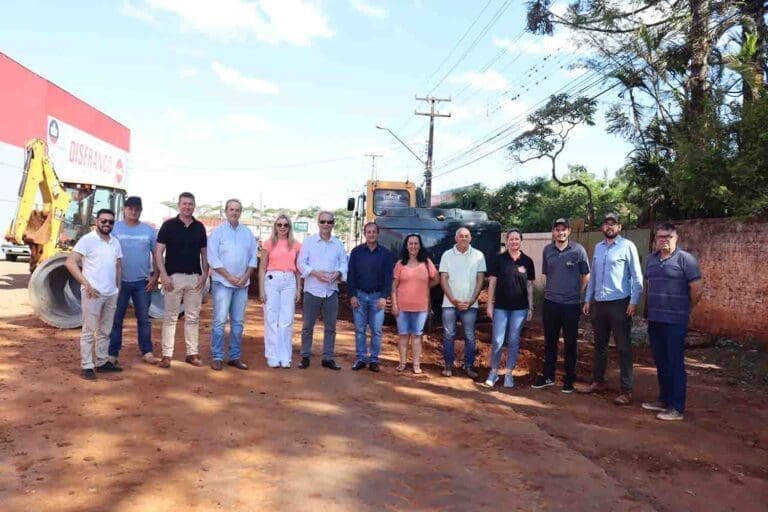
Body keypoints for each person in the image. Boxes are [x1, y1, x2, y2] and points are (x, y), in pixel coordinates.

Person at [579, 213, 643, 405]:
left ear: (619, 227)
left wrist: (633, 302)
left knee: (623, 347)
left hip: (620, 304)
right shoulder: (598, 248)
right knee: (600, 345)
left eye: (613, 224)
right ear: (602, 227)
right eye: (606, 224)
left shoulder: (627, 246)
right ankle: (598, 381)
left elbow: (637, 276)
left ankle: (626, 390)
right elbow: (593, 276)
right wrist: (588, 299)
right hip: (599, 304)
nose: (609, 227)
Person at [641, 222, 703, 421]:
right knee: (661, 361)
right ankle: (664, 400)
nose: (664, 240)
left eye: (668, 236)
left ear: (676, 238)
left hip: (675, 320)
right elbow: (649, 284)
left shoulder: (686, 260)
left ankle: (676, 407)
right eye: (660, 236)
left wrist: (686, 309)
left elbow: (697, 289)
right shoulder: (651, 260)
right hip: (655, 319)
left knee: (675, 362)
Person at [532, 218, 590, 393]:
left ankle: (569, 379)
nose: (560, 233)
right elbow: (547, 274)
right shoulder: (547, 250)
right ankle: (548, 376)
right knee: (550, 342)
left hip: (571, 305)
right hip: (551, 304)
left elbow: (586, 275)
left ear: (569, 231)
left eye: (564, 229)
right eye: (557, 229)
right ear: (553, 232)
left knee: (570, 343)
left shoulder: (578, 250)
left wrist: (577, 293)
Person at [65, 209, 123, 380]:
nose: (107, 224)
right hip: (93, 294)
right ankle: (87, 366)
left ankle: (102, 362)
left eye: (110, 222)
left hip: (111, 293)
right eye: (103, 221)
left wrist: (118, 288)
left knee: (106, 330)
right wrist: (86, 285)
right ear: (97, 221)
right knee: (89, 331)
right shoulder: (87, 240)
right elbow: (70, 263)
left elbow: (118, 265)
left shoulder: (115, 242)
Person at [155, 192, 208, 369]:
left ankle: (192, 354)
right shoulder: (168, 226)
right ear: (179, 205)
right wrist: (163, 275)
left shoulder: (199, 227)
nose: (187, 207)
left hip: (194, 278)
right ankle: (166, 355)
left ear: (194, 206)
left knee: (193, 317)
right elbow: (158, 252)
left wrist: (205, 274)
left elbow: (204, 253)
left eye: (190, 204)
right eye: (184, 204)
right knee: (170, 318)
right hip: (173, 278)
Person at [207, 199, 258, 371]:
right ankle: (217, 356)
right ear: (226, 211)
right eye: (231, 209)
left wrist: (245, 276)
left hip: (242, 284)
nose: (234, 212)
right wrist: (228, 276)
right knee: (220, 321)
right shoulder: (217, 233)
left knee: (238, 322)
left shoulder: (247, 233)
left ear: (240, 212)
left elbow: (253, 258)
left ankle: (235, 356)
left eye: (237, 210)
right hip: (222, 283)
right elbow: (212, 258)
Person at [108, 196, 159, 366]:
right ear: (124, 209)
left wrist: (155, 276)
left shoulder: (149, 231)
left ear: (141, 211)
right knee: (116, 319)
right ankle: (112, 353)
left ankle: (147, 351)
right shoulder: (114, 228)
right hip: (119, 282)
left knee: (144, 319)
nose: (133, 211)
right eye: (130, 208)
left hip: (142, 282)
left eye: (137, 209)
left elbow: (156, 255)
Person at [484, 229, 535, 389]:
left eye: (516, 239)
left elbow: (529, 286)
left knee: (513, 341)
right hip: (500, 308)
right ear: (507, 241)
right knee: (497, 340)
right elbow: (492, 283)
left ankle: (508, 374)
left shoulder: (527, 261)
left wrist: (530, 306)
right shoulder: (499, 259)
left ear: (521, 241)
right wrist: (490, 304)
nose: (514, 242)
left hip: (519, 309)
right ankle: (493, 372)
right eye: (511, 239)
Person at [297, 211, 347, 370]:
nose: (326, 224)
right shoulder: (309, 242)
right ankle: (305, 356)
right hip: (312, 289)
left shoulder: (338, 244)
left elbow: (344, 263)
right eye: (323, 221)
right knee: (307, 325)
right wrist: (315, 273)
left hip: (331, 290)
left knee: (330, 327)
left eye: (329, 222)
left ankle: (328, 357)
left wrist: (338, 273)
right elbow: (300, 263)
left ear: (333, 224)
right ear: (318, 223)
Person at [439, 227, 487, 378]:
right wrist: (452, 299)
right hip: (449, 304)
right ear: (456, 238)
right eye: (461, 236)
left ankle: (469, 366)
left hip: (470, 304)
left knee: (470, 336)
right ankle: (448, 366)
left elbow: (480, 280)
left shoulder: (479, 255)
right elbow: (443, 279)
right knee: (448, 335)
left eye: (466, 236)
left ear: (470, 238)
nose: (464, 238)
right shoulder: (447, 255)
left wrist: (472, 300)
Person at [347, 222, 394, 372]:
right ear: (364, 234)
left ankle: (374, 360)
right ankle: (361, 358)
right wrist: (352, 295)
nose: (371, 234)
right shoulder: (356, 252)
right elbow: (351, 275)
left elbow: (388, 278)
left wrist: (384, 297)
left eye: (374, 232)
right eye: (369, 232)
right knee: (360, 330)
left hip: (377, 297)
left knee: (376, 330)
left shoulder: (386, 254)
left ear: (378, 234)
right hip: (359, 296)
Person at [391, 233, 439, 374]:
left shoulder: (426, 263)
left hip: (421, 307)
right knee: (403, 335)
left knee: (417, 336)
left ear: (420, 246)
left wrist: (424, 286)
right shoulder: (400, 264)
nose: (413, 246)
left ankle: (416, 365)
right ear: (406, 246)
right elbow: (394, 286)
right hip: (402, 307)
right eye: (410, 243)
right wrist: (394, 304)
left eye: (416, 243)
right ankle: (402, 363)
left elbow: (436, 279)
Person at [259, 214, 302, 368]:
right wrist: (261, 289)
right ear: (275, 227)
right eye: (279, 225)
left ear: (289, 227)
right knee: (271, 318)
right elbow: (262, 268)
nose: (282, 227)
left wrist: (299, 288)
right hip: (272, 280)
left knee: (287, 319)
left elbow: (298, 270)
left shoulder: (296, 245)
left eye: (285, 225)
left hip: (289, 281)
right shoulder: (268, 243)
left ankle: (285, 356)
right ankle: (272, 355)